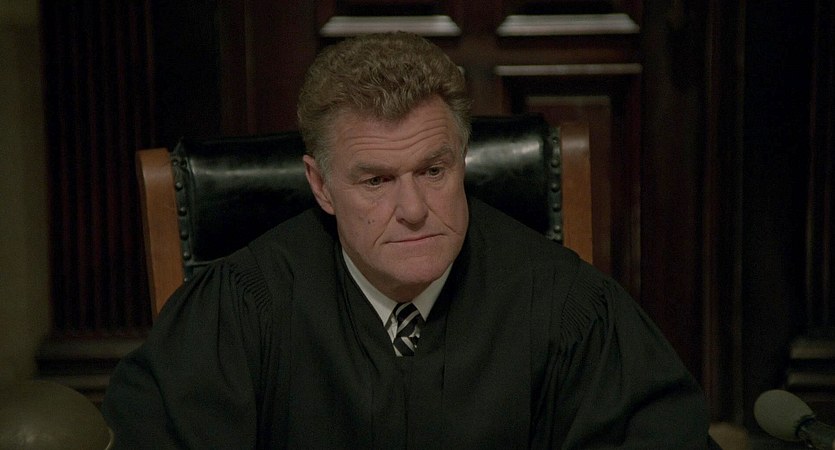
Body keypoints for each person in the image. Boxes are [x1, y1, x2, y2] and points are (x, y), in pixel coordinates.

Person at [102, 32, 718, 449]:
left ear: (463, 161)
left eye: (433, 170)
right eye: (376, 180)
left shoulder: (566, 307)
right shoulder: (239, 310)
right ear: (321, 185)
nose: (415, 210)